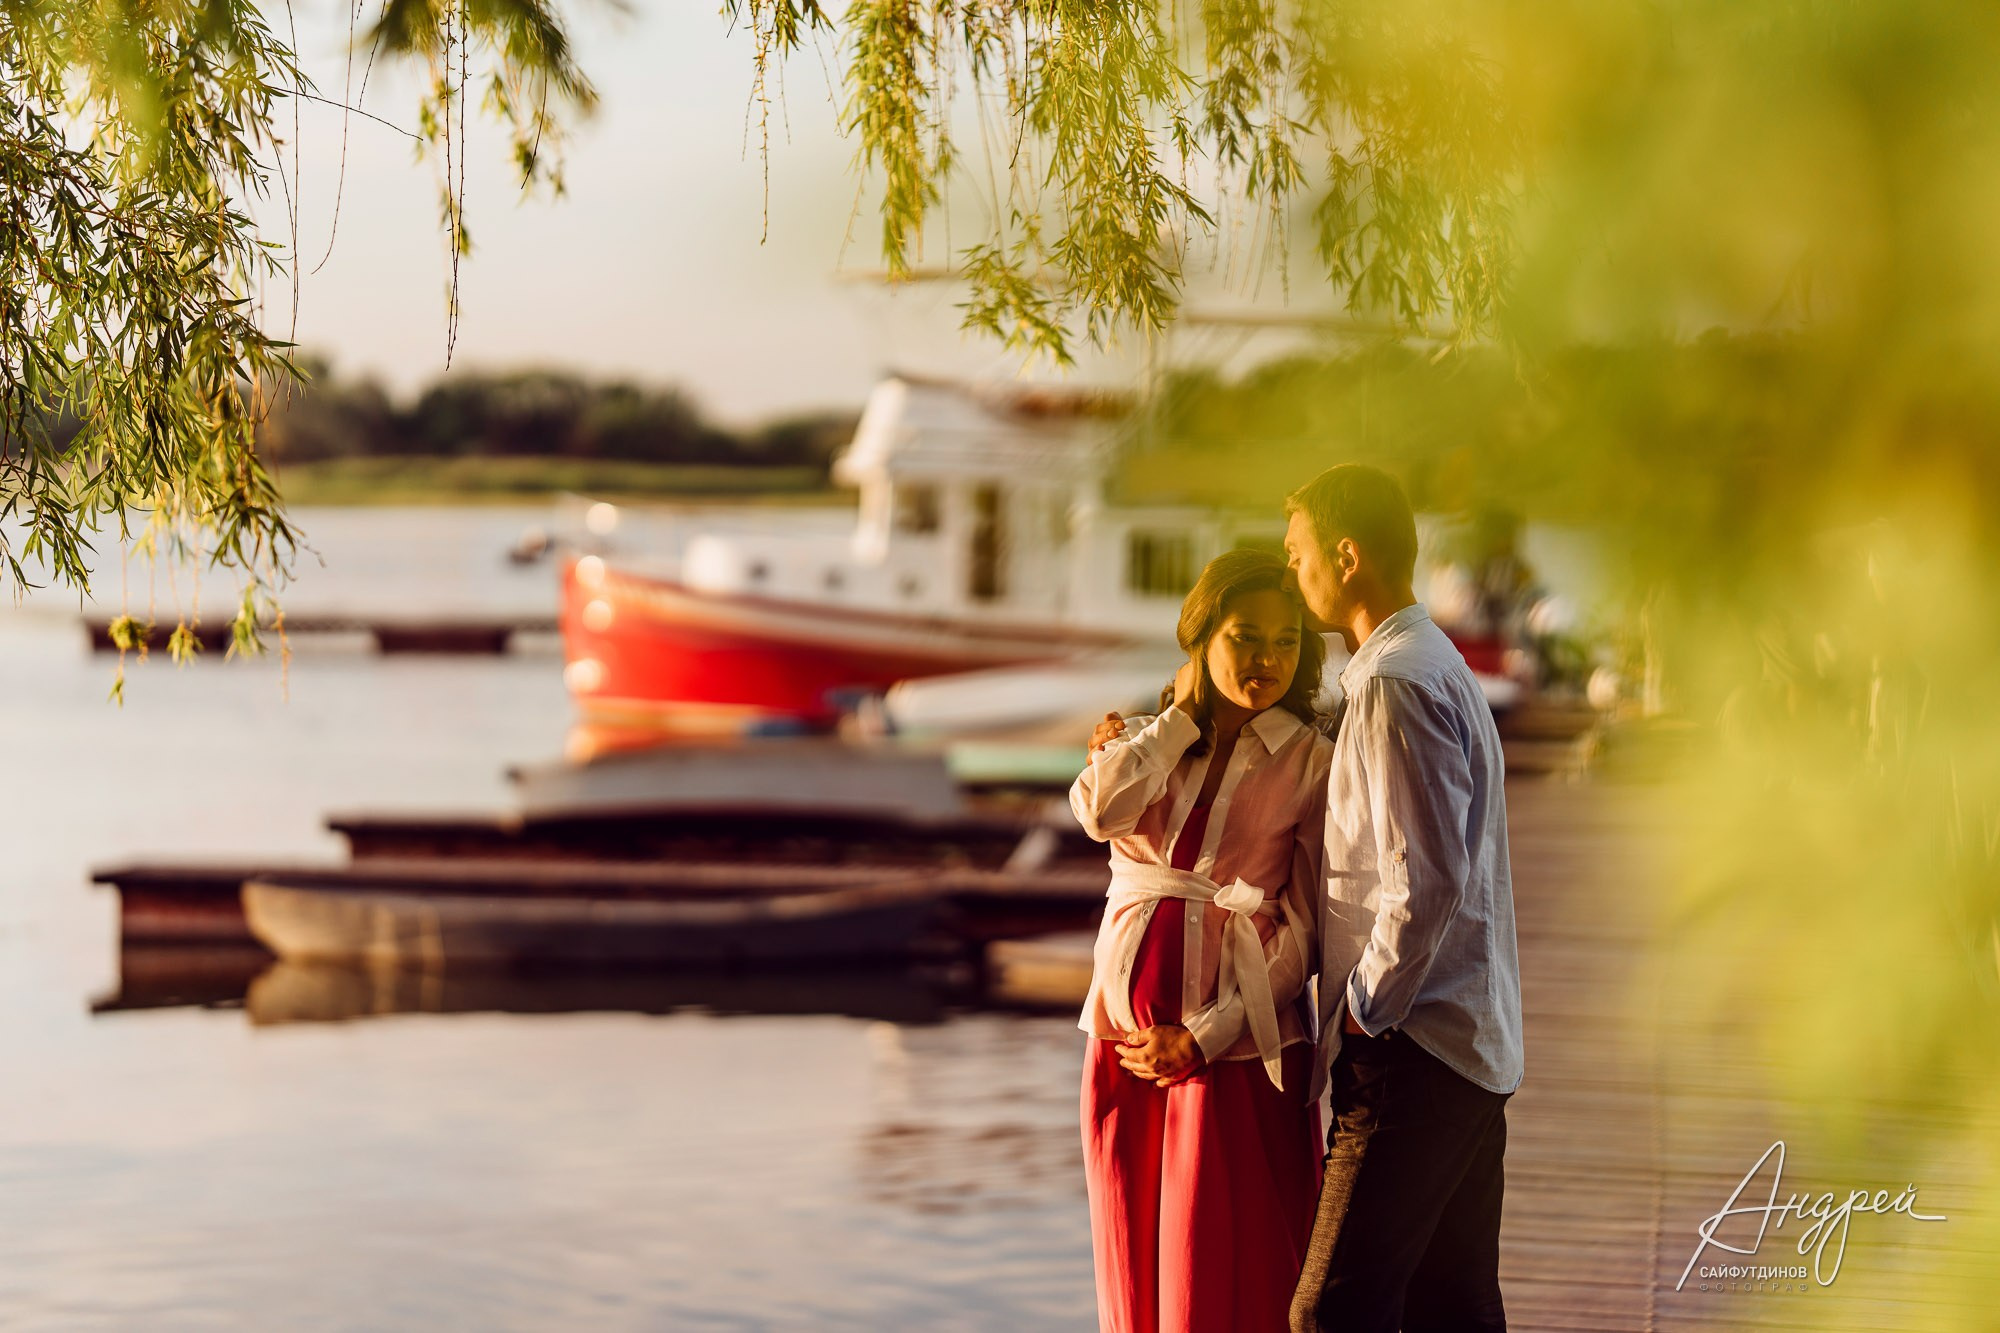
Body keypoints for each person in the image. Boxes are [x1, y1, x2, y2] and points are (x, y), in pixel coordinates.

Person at [1282, 464, 1523, 1333]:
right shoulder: (1435, 661)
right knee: (1450, 1308)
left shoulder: (1395, 681)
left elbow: (1424, 882)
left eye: (1299, 551)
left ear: (1345, 557)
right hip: (1463, 1037)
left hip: (1415, 1042)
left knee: (1330, 1313)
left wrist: (1362, 1011)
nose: (1292, 569)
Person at [1071, 548, 1336, 1333]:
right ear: (1201, 636)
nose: (1266, 658)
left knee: (1221, 1272)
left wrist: (1206, 1035)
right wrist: (1177, 720)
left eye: (1285, 640)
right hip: (1120, 1050)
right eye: (1245, 636)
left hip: (1235, 1052)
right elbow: (1097, 813)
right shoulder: (1149, 739)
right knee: (1132, 1270)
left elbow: (1304, 927)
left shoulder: (1311, 759)